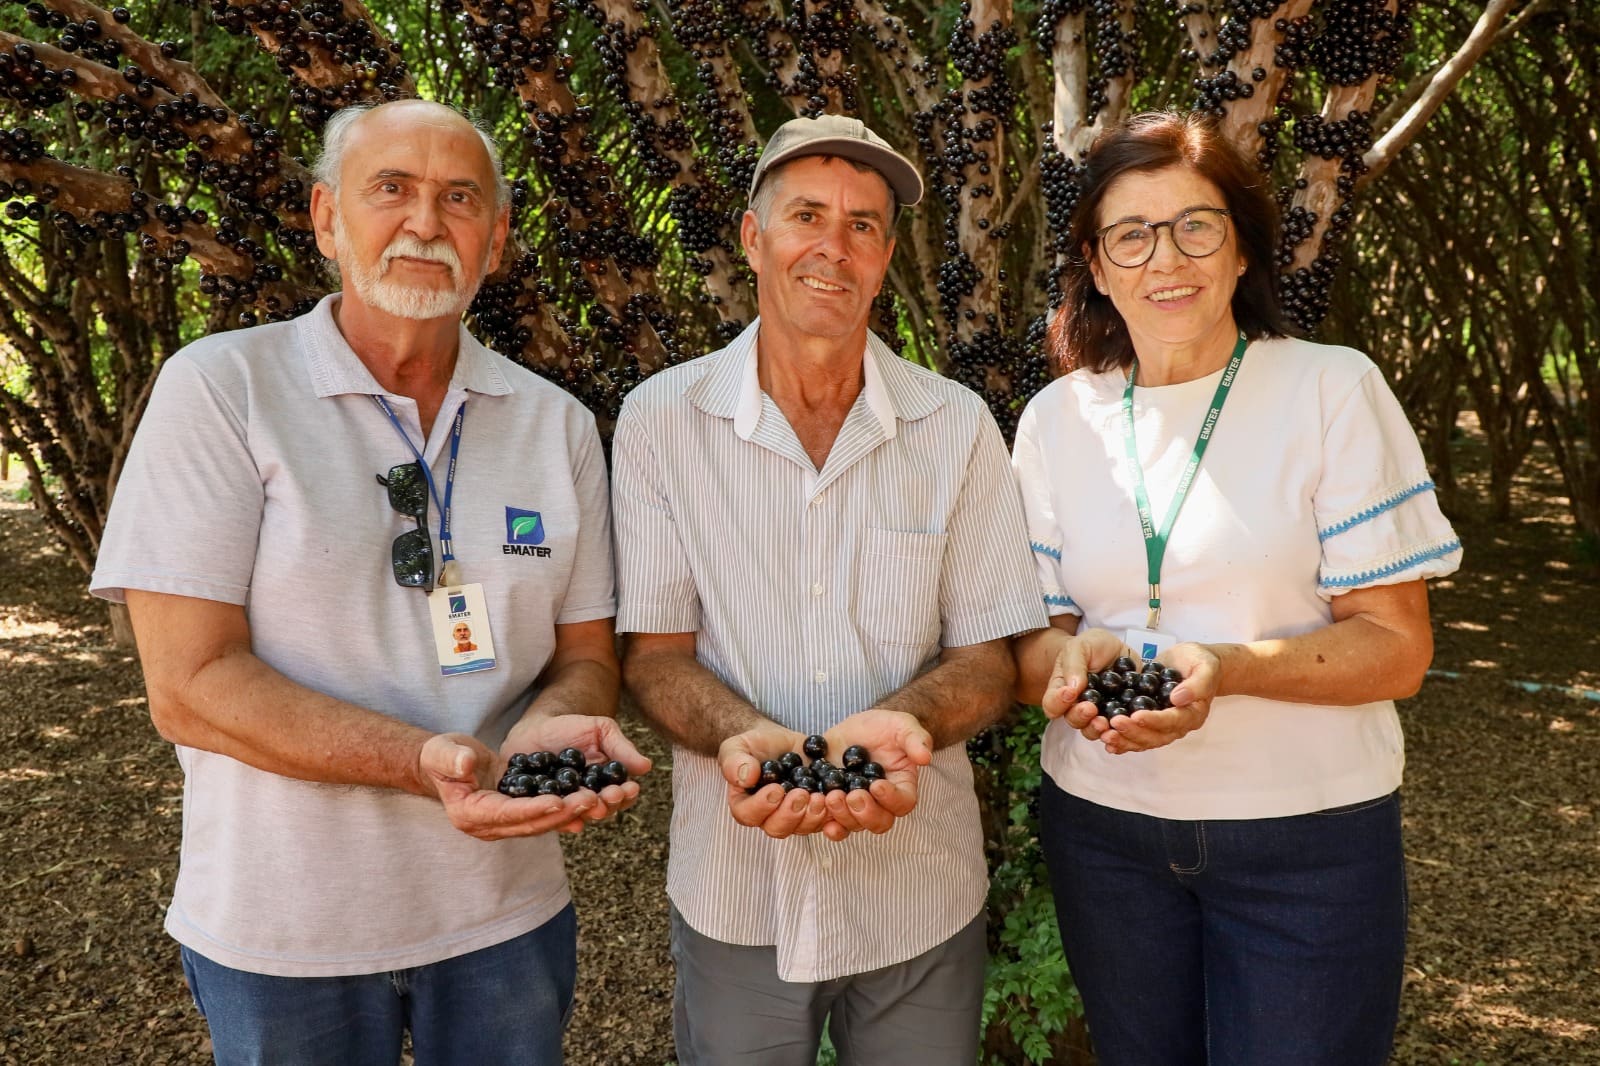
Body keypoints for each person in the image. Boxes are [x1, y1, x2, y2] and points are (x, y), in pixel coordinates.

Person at [90, 99, 650, 1066]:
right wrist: (427, 762)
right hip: (284, 928)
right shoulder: (224, 388)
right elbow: (188, 688)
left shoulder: (555, 423)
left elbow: (586, 654)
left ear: (497, 237)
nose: (426, 223)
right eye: (391, 189)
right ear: (325, 217)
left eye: (460, 198)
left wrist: (557, 720)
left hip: (503, 914)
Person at [1010, 110, 1464, 1065]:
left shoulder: (1330, 391)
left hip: (1307, 844)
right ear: (1095, 264)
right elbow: (1033, 640)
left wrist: (1221, 667)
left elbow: (1397, 646)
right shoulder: (1058, 419)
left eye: (1196, 225)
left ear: (1241, 244)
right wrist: (1070, 660)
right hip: (1105, 832)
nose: (1164, 259)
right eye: (1130, 234)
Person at [611, 114, 1047, 1065]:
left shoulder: (956, 425)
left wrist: (902, 728)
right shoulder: (659, 422)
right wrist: (741, 739)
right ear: (751, 237)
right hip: (737, 887)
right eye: (806, 214)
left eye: (862, 225)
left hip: (918, 889)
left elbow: (988, 658)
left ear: (886, 256)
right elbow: (652, 654)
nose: (832, 246)